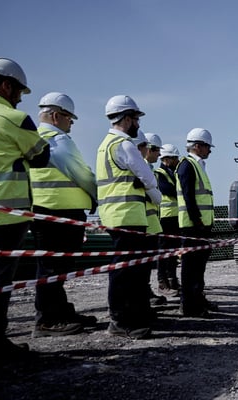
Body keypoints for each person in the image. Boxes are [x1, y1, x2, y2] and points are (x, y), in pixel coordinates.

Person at [0, 57, 49, 366]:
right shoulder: (15, 119)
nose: (19, 98)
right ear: (6, 86)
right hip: (5, 213)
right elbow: (41, 158)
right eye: (18, 92)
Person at [29, 92, 98, 338]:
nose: (72, 123)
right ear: (56, 115)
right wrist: (95, 196)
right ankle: (48, 320)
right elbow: (81, 173)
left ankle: (61, 312)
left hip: (45, 212)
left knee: (53, 268)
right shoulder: (57, 140)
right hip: (58, 213)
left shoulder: (33, 139)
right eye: (70, 118)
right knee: (52, 269)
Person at [96, 95, 161, 339]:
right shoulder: (123, 145)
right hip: (128, 215)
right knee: (127, 273)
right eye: (135, 119)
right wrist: (154, 195)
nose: (138, 124)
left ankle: (130, 316)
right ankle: (122, 321)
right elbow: (147, 175)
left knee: (123, 271)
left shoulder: (104, 144)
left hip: (114, 215)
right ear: (126, 118)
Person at [176, 128, 216, 317]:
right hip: (193, 226)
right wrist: (197, 219)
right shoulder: (187, 165)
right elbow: (188, 196)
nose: (210, 151)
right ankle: (189, 305)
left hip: (201, 225)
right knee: (190, 267)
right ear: (198, 146)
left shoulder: (197, 165)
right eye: (207, 147)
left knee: (198, 267)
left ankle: (197, 299)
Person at [140, 132, 166, 306]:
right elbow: (154, 196)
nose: (158, 154)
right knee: (141, 264)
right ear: (148, 149)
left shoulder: (149, 169)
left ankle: (145, 292)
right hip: (143, 224)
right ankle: (143, 294)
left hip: (150, 223)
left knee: (147, 263)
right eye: (156, 150)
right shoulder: (141, 167)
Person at [155, 144, 181, 296]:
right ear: (167, 159)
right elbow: (168, 190)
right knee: (163, 252)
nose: (177, 160)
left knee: (173, 251)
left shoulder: (173, 173)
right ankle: (162, 281)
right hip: (165, 218)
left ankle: (172, 279)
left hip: (175, 217)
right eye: (174, 158)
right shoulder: (159, 173)